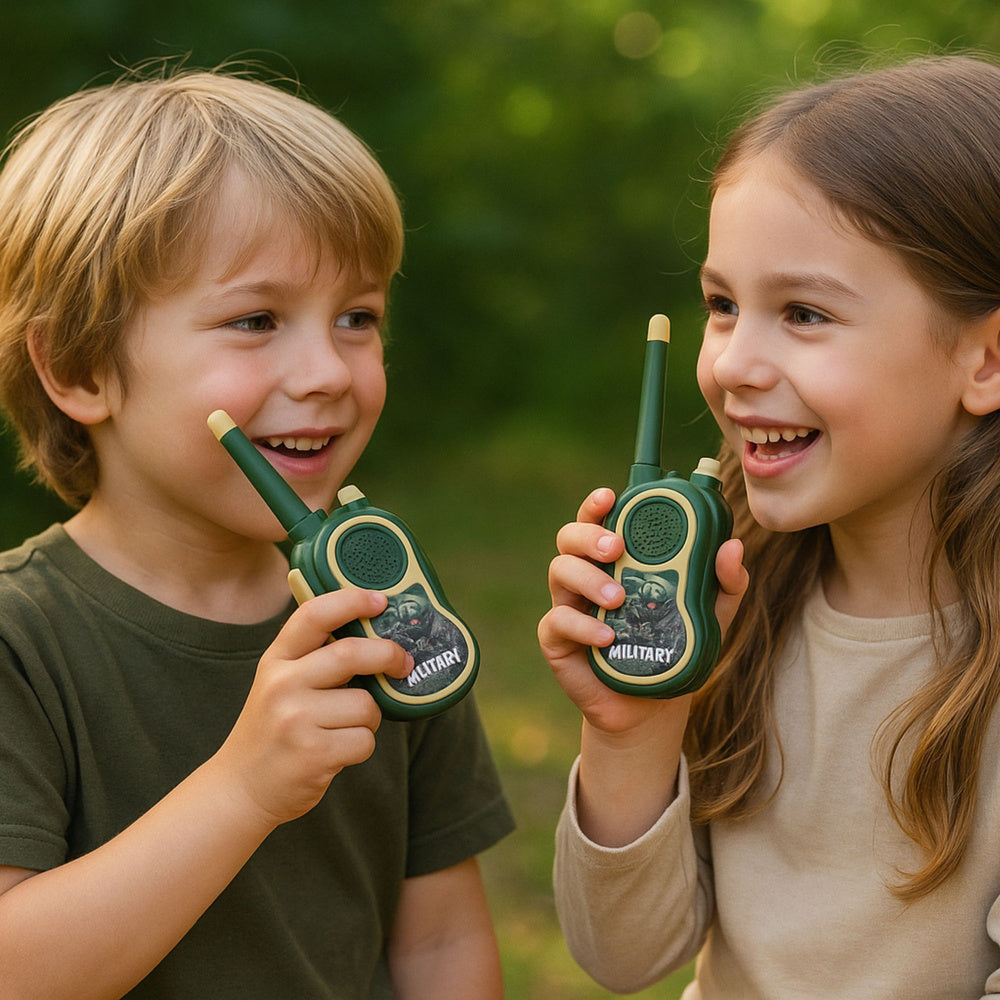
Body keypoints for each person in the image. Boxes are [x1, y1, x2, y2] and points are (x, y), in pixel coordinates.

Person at [0, 64, 513, 1000]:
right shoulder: (19, 642)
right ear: (78, 368)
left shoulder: (389, 611)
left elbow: (438, 946)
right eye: (256, 319)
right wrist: (244, 790)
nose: (326, 370)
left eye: (358, 317)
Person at [538, 53, 1000, 998]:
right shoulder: (729, 597)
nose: (735, 364)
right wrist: (632, 735)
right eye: (721, 306)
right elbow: (625, 958)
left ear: (986, 361)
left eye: (804, 312)